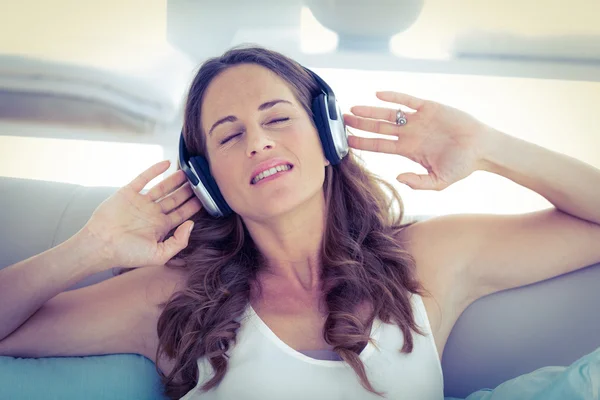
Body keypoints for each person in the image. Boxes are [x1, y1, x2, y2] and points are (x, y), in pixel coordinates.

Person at [1, 45, 599, 400]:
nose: (257, 142)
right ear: (207, 179)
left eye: (278, 118)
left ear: (327, 134)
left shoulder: (430, 259)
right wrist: (90, 249)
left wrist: (489, 146)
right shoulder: (171, 298)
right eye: (229, 134)